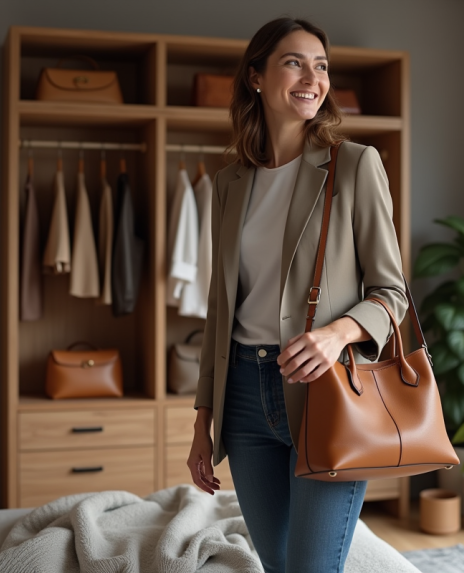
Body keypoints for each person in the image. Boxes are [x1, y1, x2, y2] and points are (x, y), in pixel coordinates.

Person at [186, 17, 408, 573]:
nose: (313, 77)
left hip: (325, 393)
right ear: (256, 77)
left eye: (322, 65)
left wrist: (337, 333)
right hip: (242, 396)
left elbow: (392, 292)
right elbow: (220, 308)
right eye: (294, 62)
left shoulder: (355, 164)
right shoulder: (228, 183)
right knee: (278, 565)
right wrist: (201, 421)